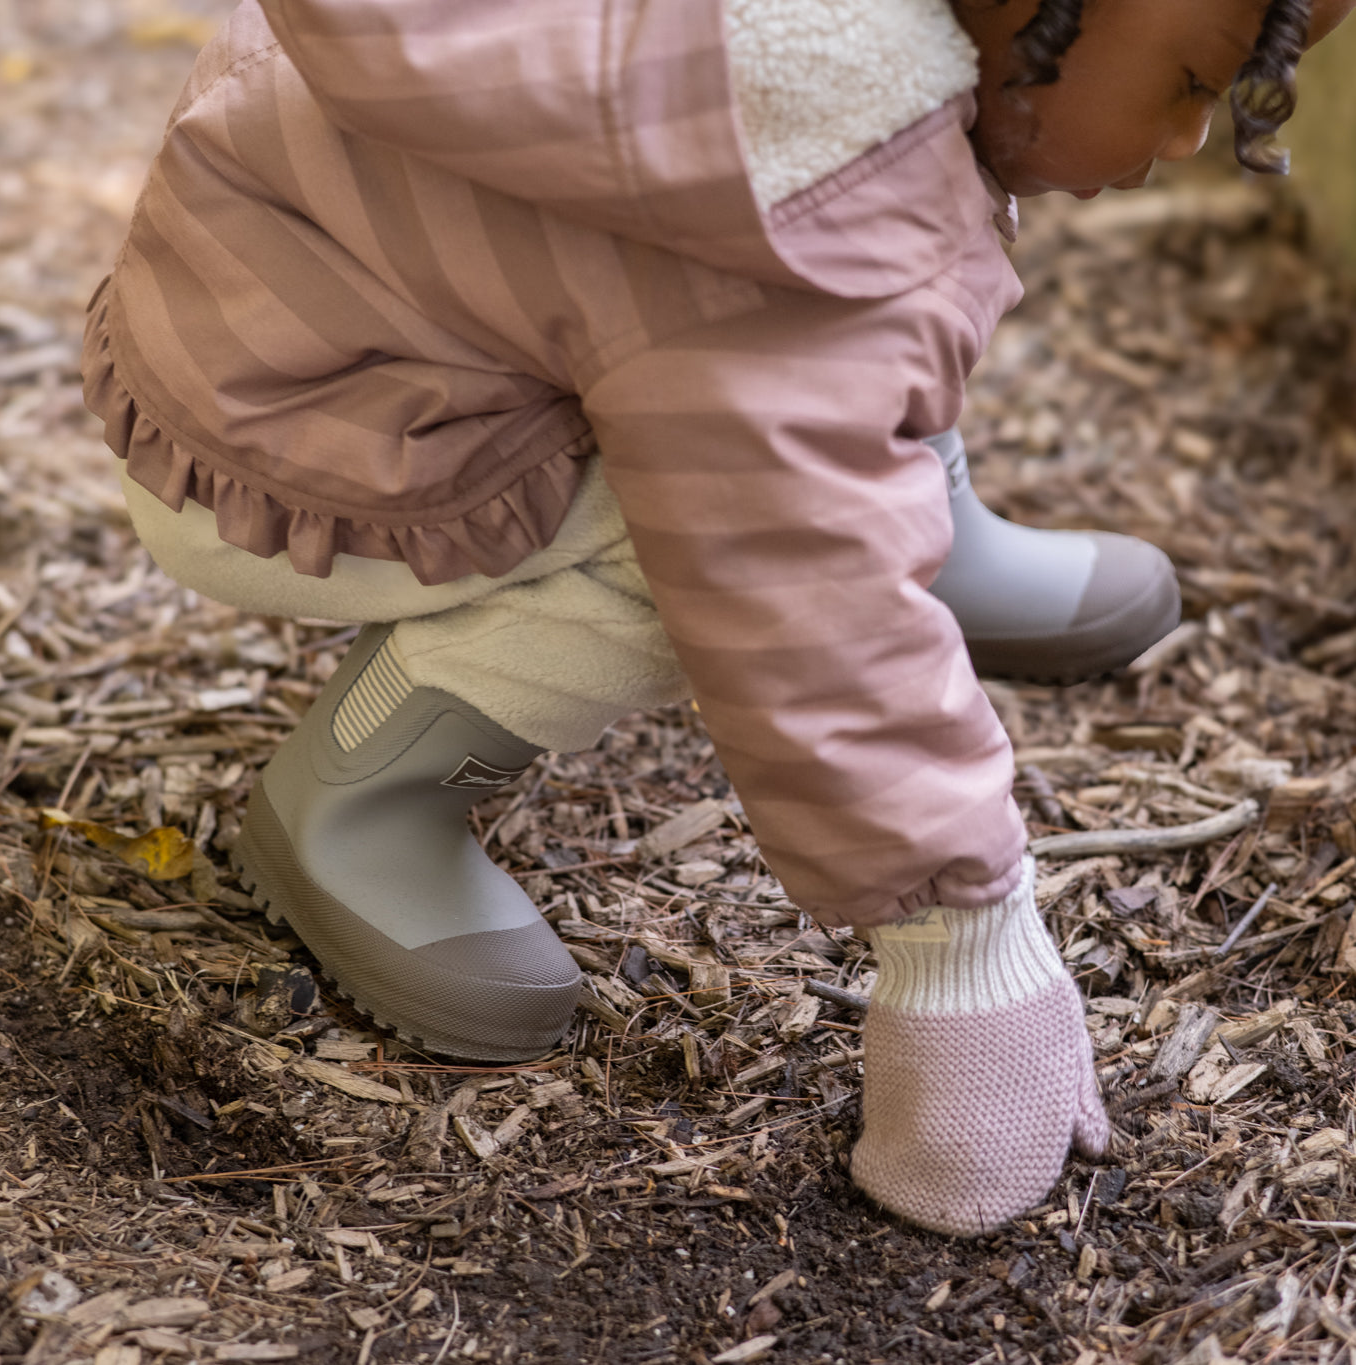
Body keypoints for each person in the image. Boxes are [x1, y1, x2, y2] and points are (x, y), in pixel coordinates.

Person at [81, 0, 1352, 1236]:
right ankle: (358, 798)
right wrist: (966, 947)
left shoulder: (821, 56)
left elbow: (824, 335)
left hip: (288, 283)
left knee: (811, 315)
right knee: (697, 535)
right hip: (315, 438)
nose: (1193, 141)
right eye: (1196, 83)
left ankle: (924, 517)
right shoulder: (776, 175)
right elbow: (789, 576)